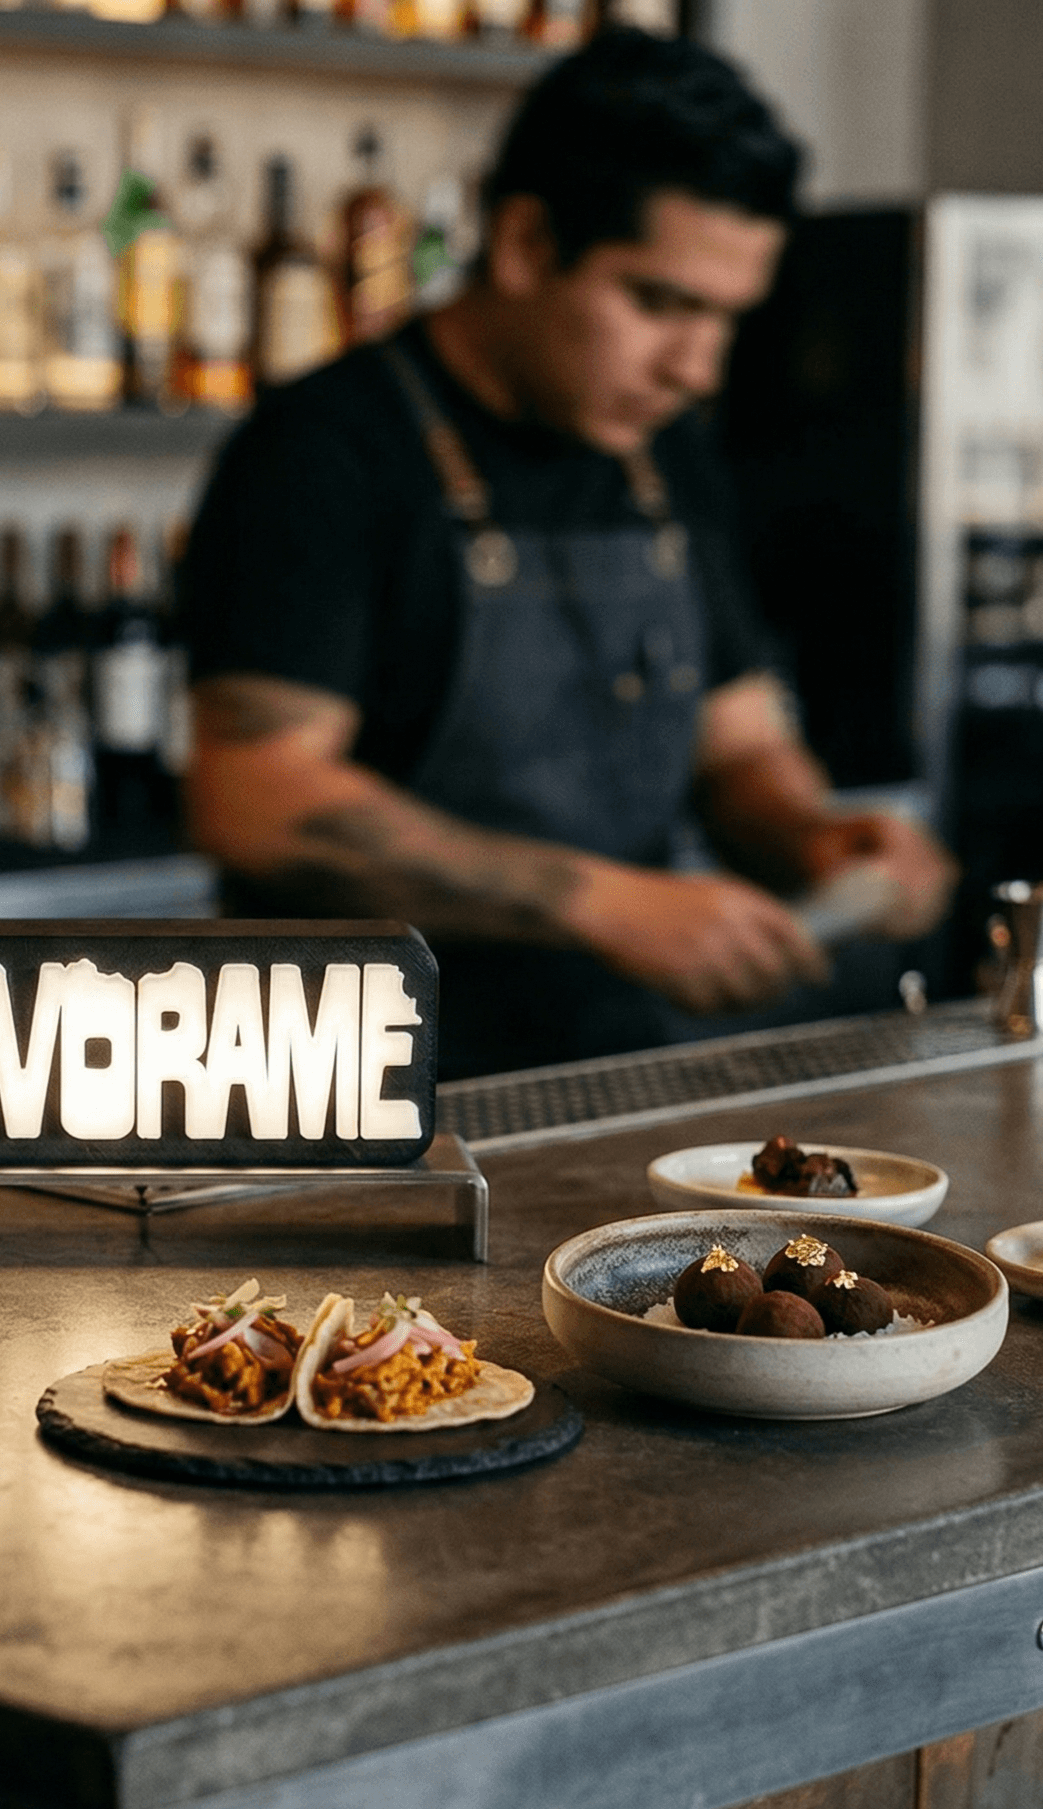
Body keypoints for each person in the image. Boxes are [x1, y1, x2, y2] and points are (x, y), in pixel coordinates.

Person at [181, 27, 956, 1081]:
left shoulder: (658, 453)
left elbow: (735, 748)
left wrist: (816, 844)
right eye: (659, 303)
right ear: (525, 243)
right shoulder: (326, 449)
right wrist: (597, 900)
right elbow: (256, 797)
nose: (696, 367)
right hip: (372, 1093)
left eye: (725, 319)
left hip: (607, 1075)